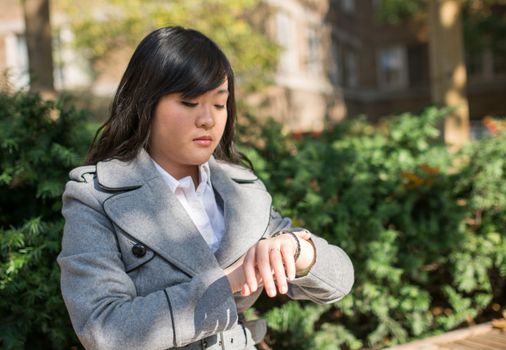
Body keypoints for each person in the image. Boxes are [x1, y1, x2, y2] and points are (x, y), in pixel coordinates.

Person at [58, 26, 354, 350]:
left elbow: (339, 281)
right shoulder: (96, 196)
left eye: (219, 103)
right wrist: (230, 282)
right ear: (145, 104)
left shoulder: (241, 191)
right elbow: (104, 328)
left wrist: (296, 251)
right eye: (189, 102)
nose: (208, 120)